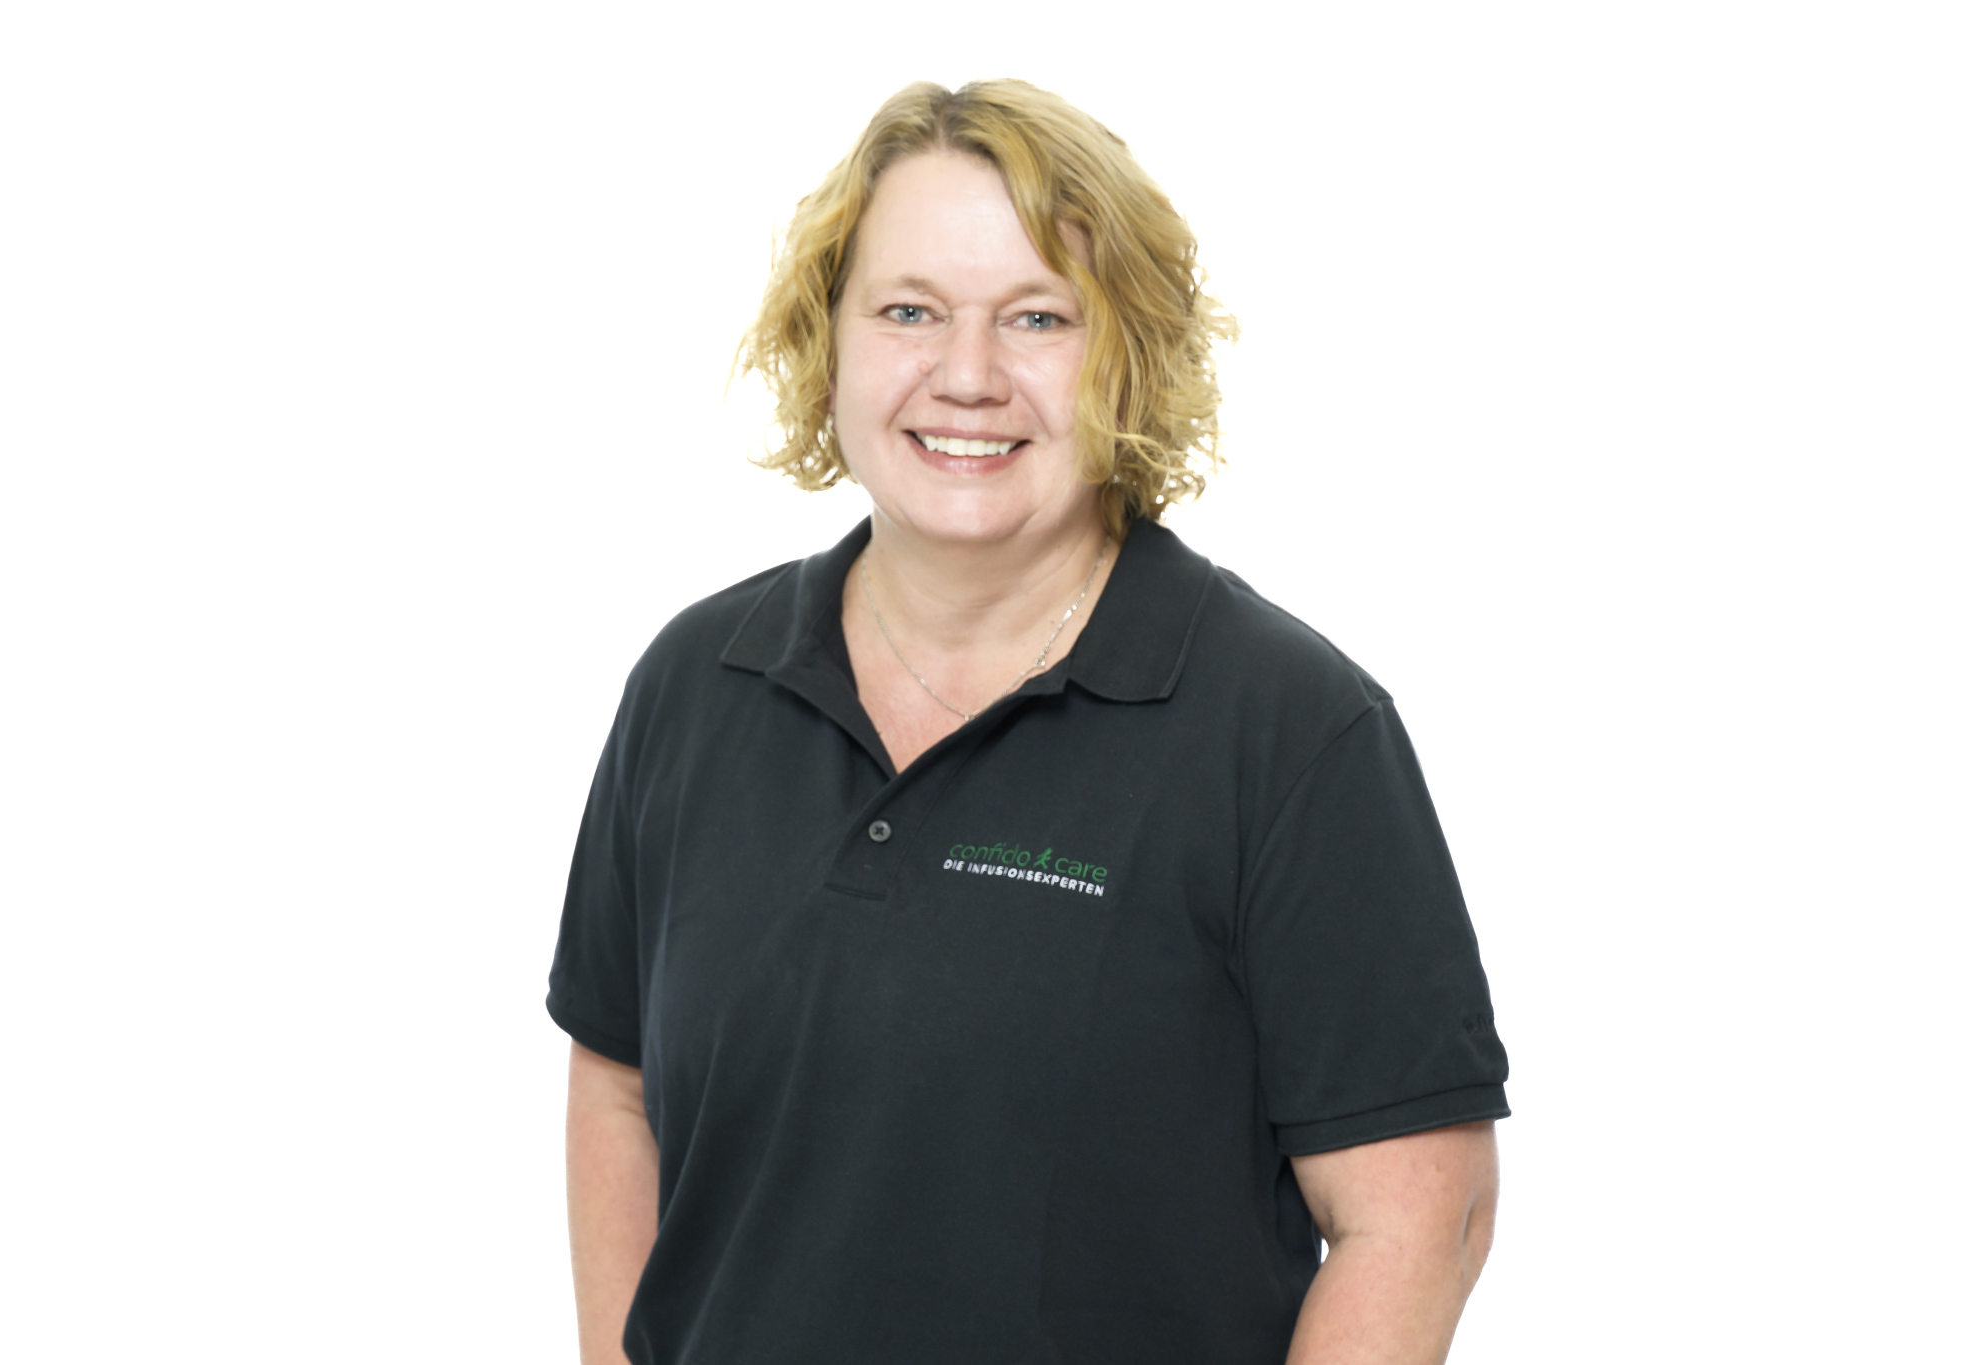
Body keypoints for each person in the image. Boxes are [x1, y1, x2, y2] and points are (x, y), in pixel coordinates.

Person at [548, 79, 1509, 1365]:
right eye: (907, 311)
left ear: (1129, 359)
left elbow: (1419, 1216)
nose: (966, 377)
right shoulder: (694, 684)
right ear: (827, 342)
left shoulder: (1288, 733)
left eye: (1037, 318)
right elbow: (617, 1085)